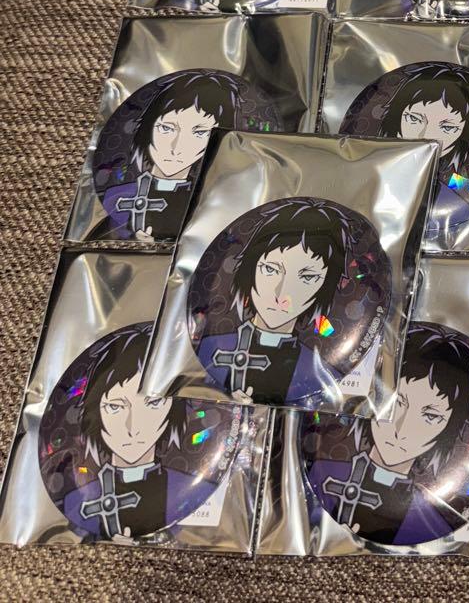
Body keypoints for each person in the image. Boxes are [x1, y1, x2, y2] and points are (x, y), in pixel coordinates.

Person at [306, 323, 469, 544]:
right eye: (397, 401)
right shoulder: (321, 474)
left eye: (430, 416)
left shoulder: (432, 520)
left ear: (450, 429)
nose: (400, 429)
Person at [62, 325, 216, 540]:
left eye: (152, 403)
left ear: (173, 409)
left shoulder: (196, 491)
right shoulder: (75, 503)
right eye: (115, 407)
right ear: (94, 411)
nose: (132, 427)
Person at [195, 198, 349, 404]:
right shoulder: (208, 348)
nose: (281, 293)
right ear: (250, 267)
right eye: (271, 269)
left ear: (326, 286)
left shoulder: (321, 372)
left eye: (307, 277)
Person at [102, 72, 241, 241]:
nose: (177, 147)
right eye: (167, 128)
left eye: (200, 132)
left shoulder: (212, 204)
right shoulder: (117, 197)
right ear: (146, 128)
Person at [373, 63, 469, 231]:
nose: (424, 136)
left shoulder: (458, 194)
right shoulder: (366, 175)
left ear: (464, 135)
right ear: (396, 114)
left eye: (447, 128)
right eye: (414, 119)